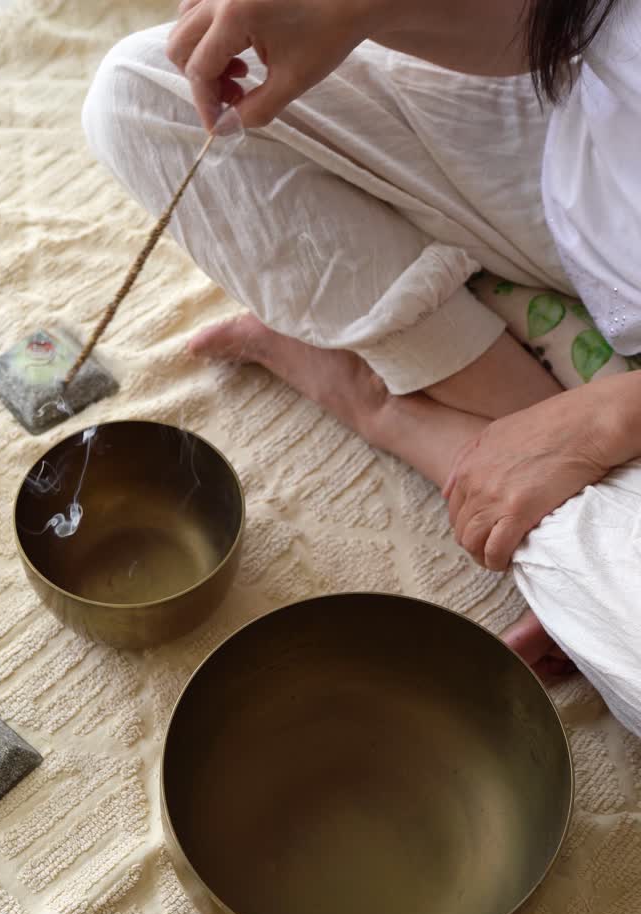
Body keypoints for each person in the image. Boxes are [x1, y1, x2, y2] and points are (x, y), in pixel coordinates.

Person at [82, 0, 641, 735]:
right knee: (143, 91)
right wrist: (358, 9)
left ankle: (390, 410)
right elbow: (568, 21)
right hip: (578, 157)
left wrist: (604, 420)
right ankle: (523, 464)